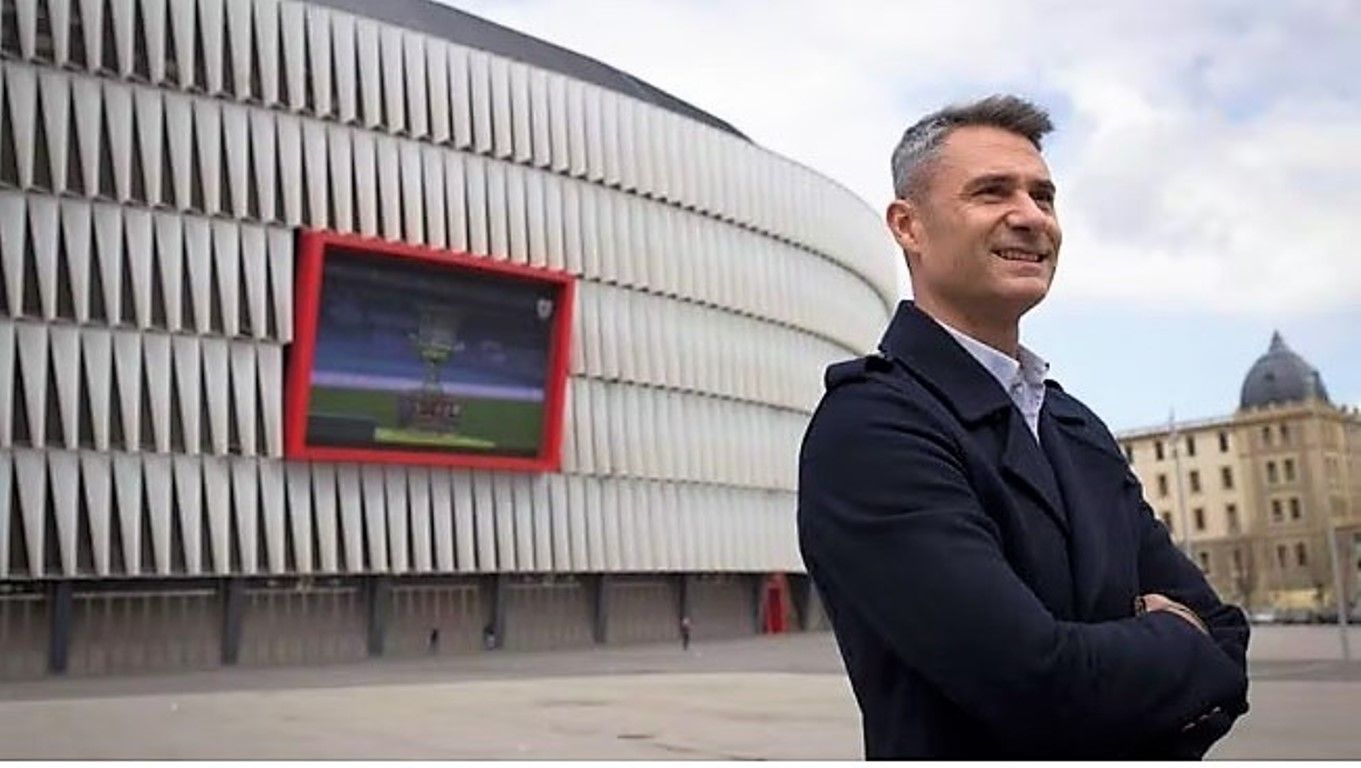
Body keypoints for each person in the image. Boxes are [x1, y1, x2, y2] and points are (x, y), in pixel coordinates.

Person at [797, 95, 1249, 759]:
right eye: (991, 192)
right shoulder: (872, 428)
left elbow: (1227, 642)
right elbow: (1035, 683)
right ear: (908, 227)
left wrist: (1157, 665)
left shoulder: (1072, 425)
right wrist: (1178, 653)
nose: (1030, 217)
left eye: (1043, 196)